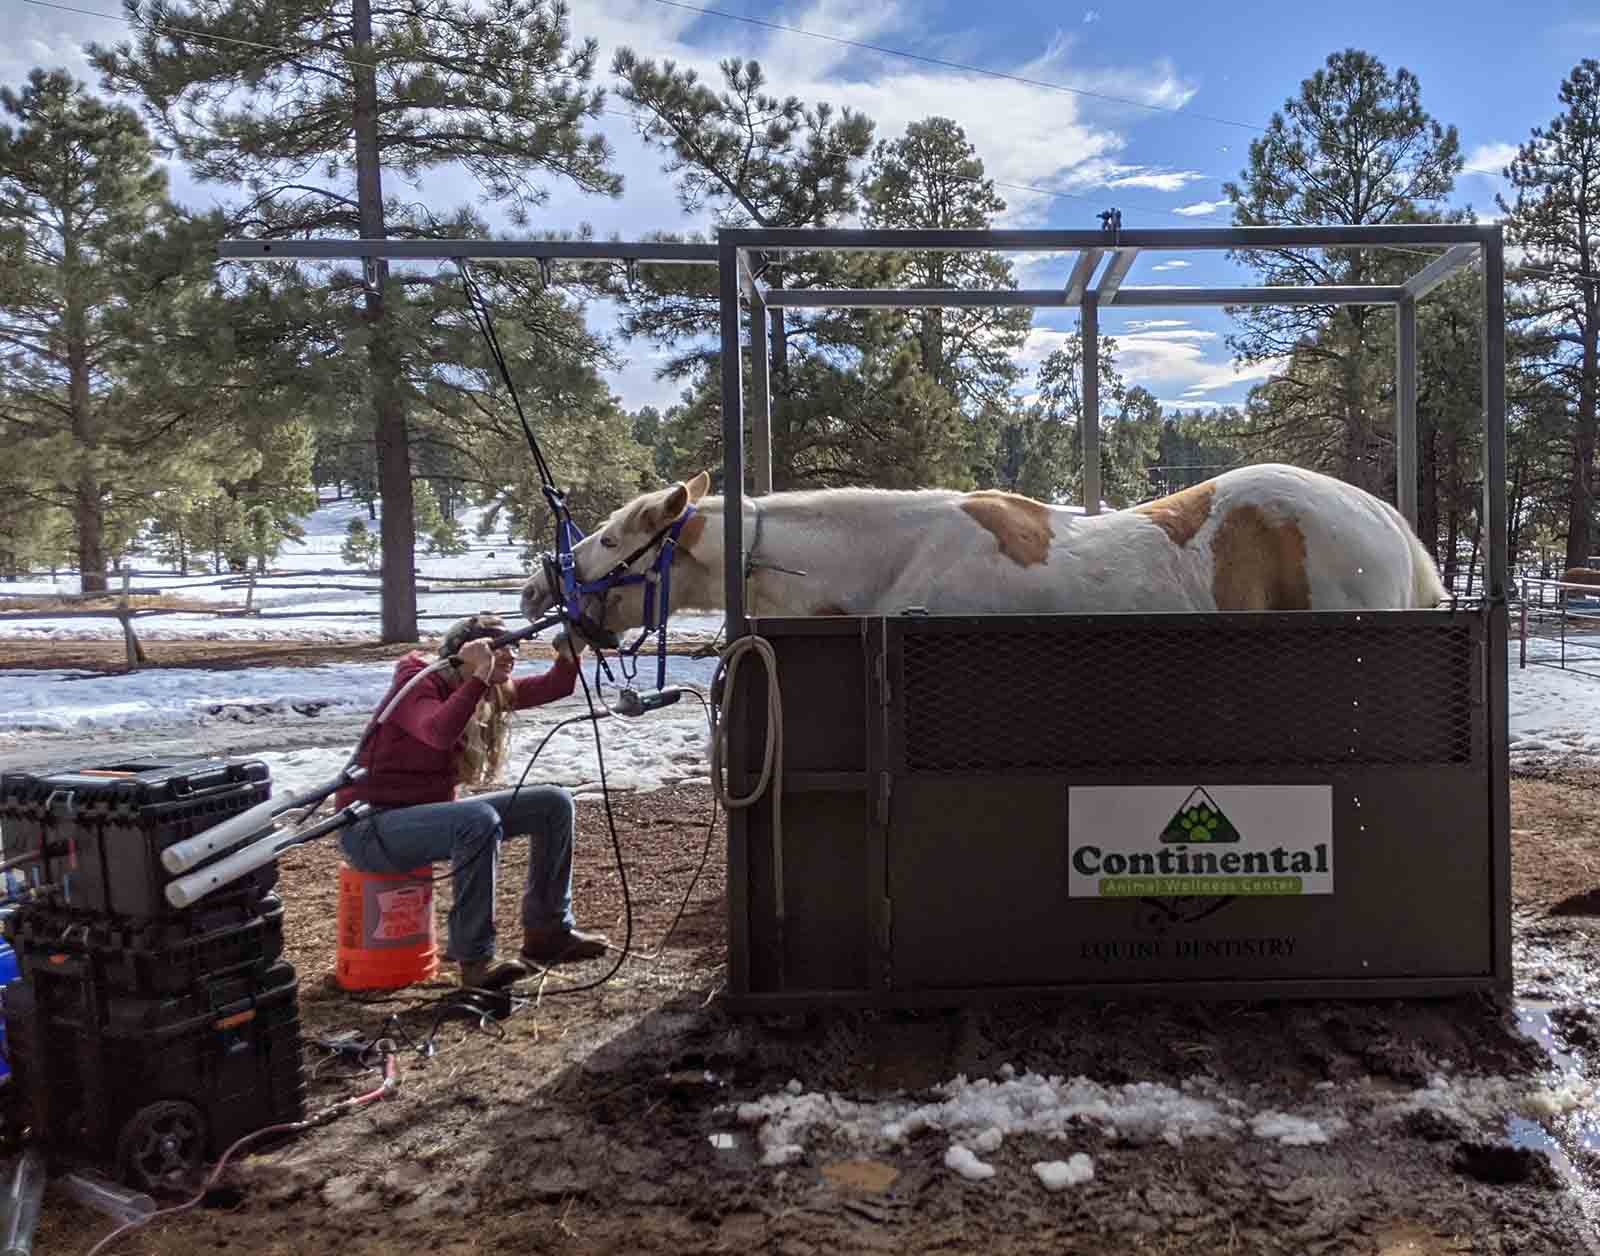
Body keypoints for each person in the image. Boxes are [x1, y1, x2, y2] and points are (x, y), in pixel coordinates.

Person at [334, 612, 609, 989]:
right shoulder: (419, 681)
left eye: (514, 646)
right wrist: (477, 676)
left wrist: (570, 653)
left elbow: (551, 688)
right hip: (371, 827)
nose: (511, 655)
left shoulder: (483, 689)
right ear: (467, 653)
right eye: (499, 648)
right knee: (476, 819)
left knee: (554, 804)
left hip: (421, 820)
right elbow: (437, 731)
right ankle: (475, 960)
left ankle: (548, 932)